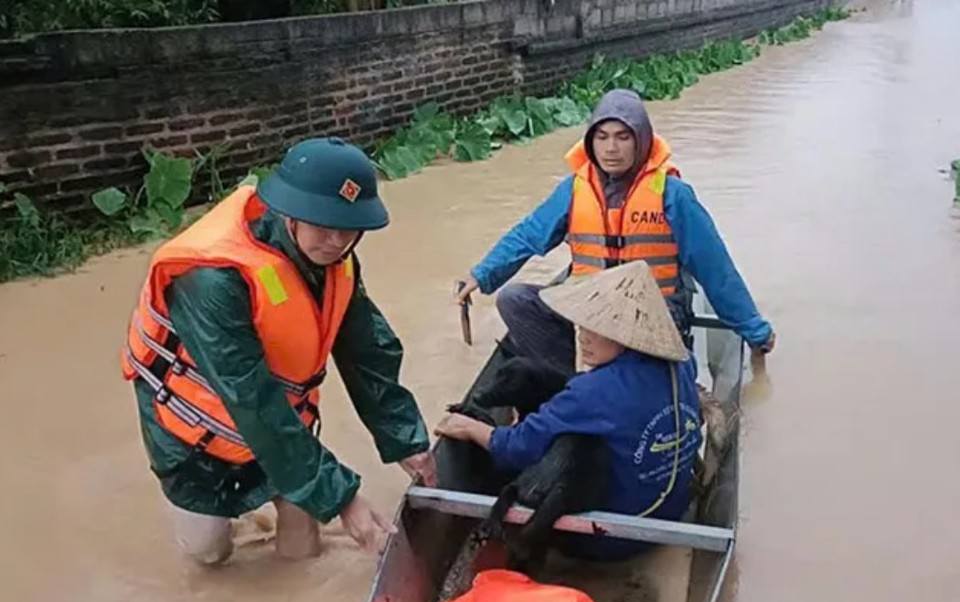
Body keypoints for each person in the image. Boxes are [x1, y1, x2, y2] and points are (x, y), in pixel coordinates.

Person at [121, 137, 437, 565]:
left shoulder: (338, 258)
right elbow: (251, 398)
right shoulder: (212, 280)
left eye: (349, 228)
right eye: (323, 224)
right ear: (290, 212)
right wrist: (344, 499)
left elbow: (368, 350)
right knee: (209, 555)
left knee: (304, 551)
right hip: (194, 435)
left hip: (282, 424)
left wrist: (406, 440)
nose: (337, 240)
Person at [455, 88, 775, 375]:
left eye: (623, 137)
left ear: (642, 140)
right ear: (590, 142)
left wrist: (754, 330)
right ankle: (571, 383)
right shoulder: (574, 190)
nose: (611, 148)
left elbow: (714, 267)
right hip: (591, 311)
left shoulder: (673, 193)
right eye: (602, 137)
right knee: (515, 300)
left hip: (652, 314)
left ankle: (629, 385)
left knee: (640, 368)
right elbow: (528, 235)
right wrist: (482, 275)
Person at [435, 260, 703, 561]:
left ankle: (522, 540)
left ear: (628, 337)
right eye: (583, 325)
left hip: (611, 539)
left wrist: (471, 427)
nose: (583, 337)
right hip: (671, 512)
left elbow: (515, 447)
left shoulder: (594, 391)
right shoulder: (683, 362)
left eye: (599, 330)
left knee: (563, 447)